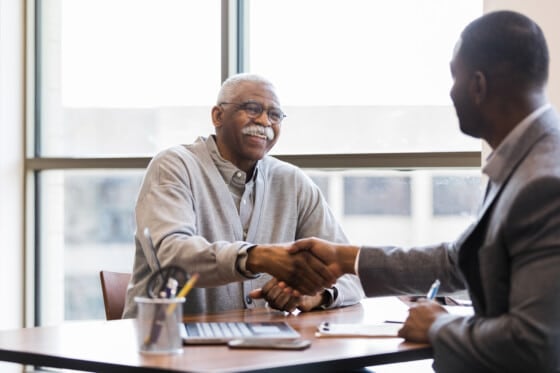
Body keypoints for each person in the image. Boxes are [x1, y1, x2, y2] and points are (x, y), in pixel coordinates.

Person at [290, 10, 560, 373]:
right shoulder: (525, 158)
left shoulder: (544, 182)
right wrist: (345, 259)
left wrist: (438, 325)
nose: (450, 92)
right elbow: (460, 258)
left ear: (478, 85)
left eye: (454, 77)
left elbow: (536, 345)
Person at [122, 73, 364, 317]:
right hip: (165, 345)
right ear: (218, 116)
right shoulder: (174, 166)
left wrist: (316, 294)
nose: (264, 121)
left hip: (259, 349)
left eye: (274, 115)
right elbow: (170, 258)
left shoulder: (292, 181)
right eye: (252, 109)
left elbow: (351, 274)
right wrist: (256, 257)